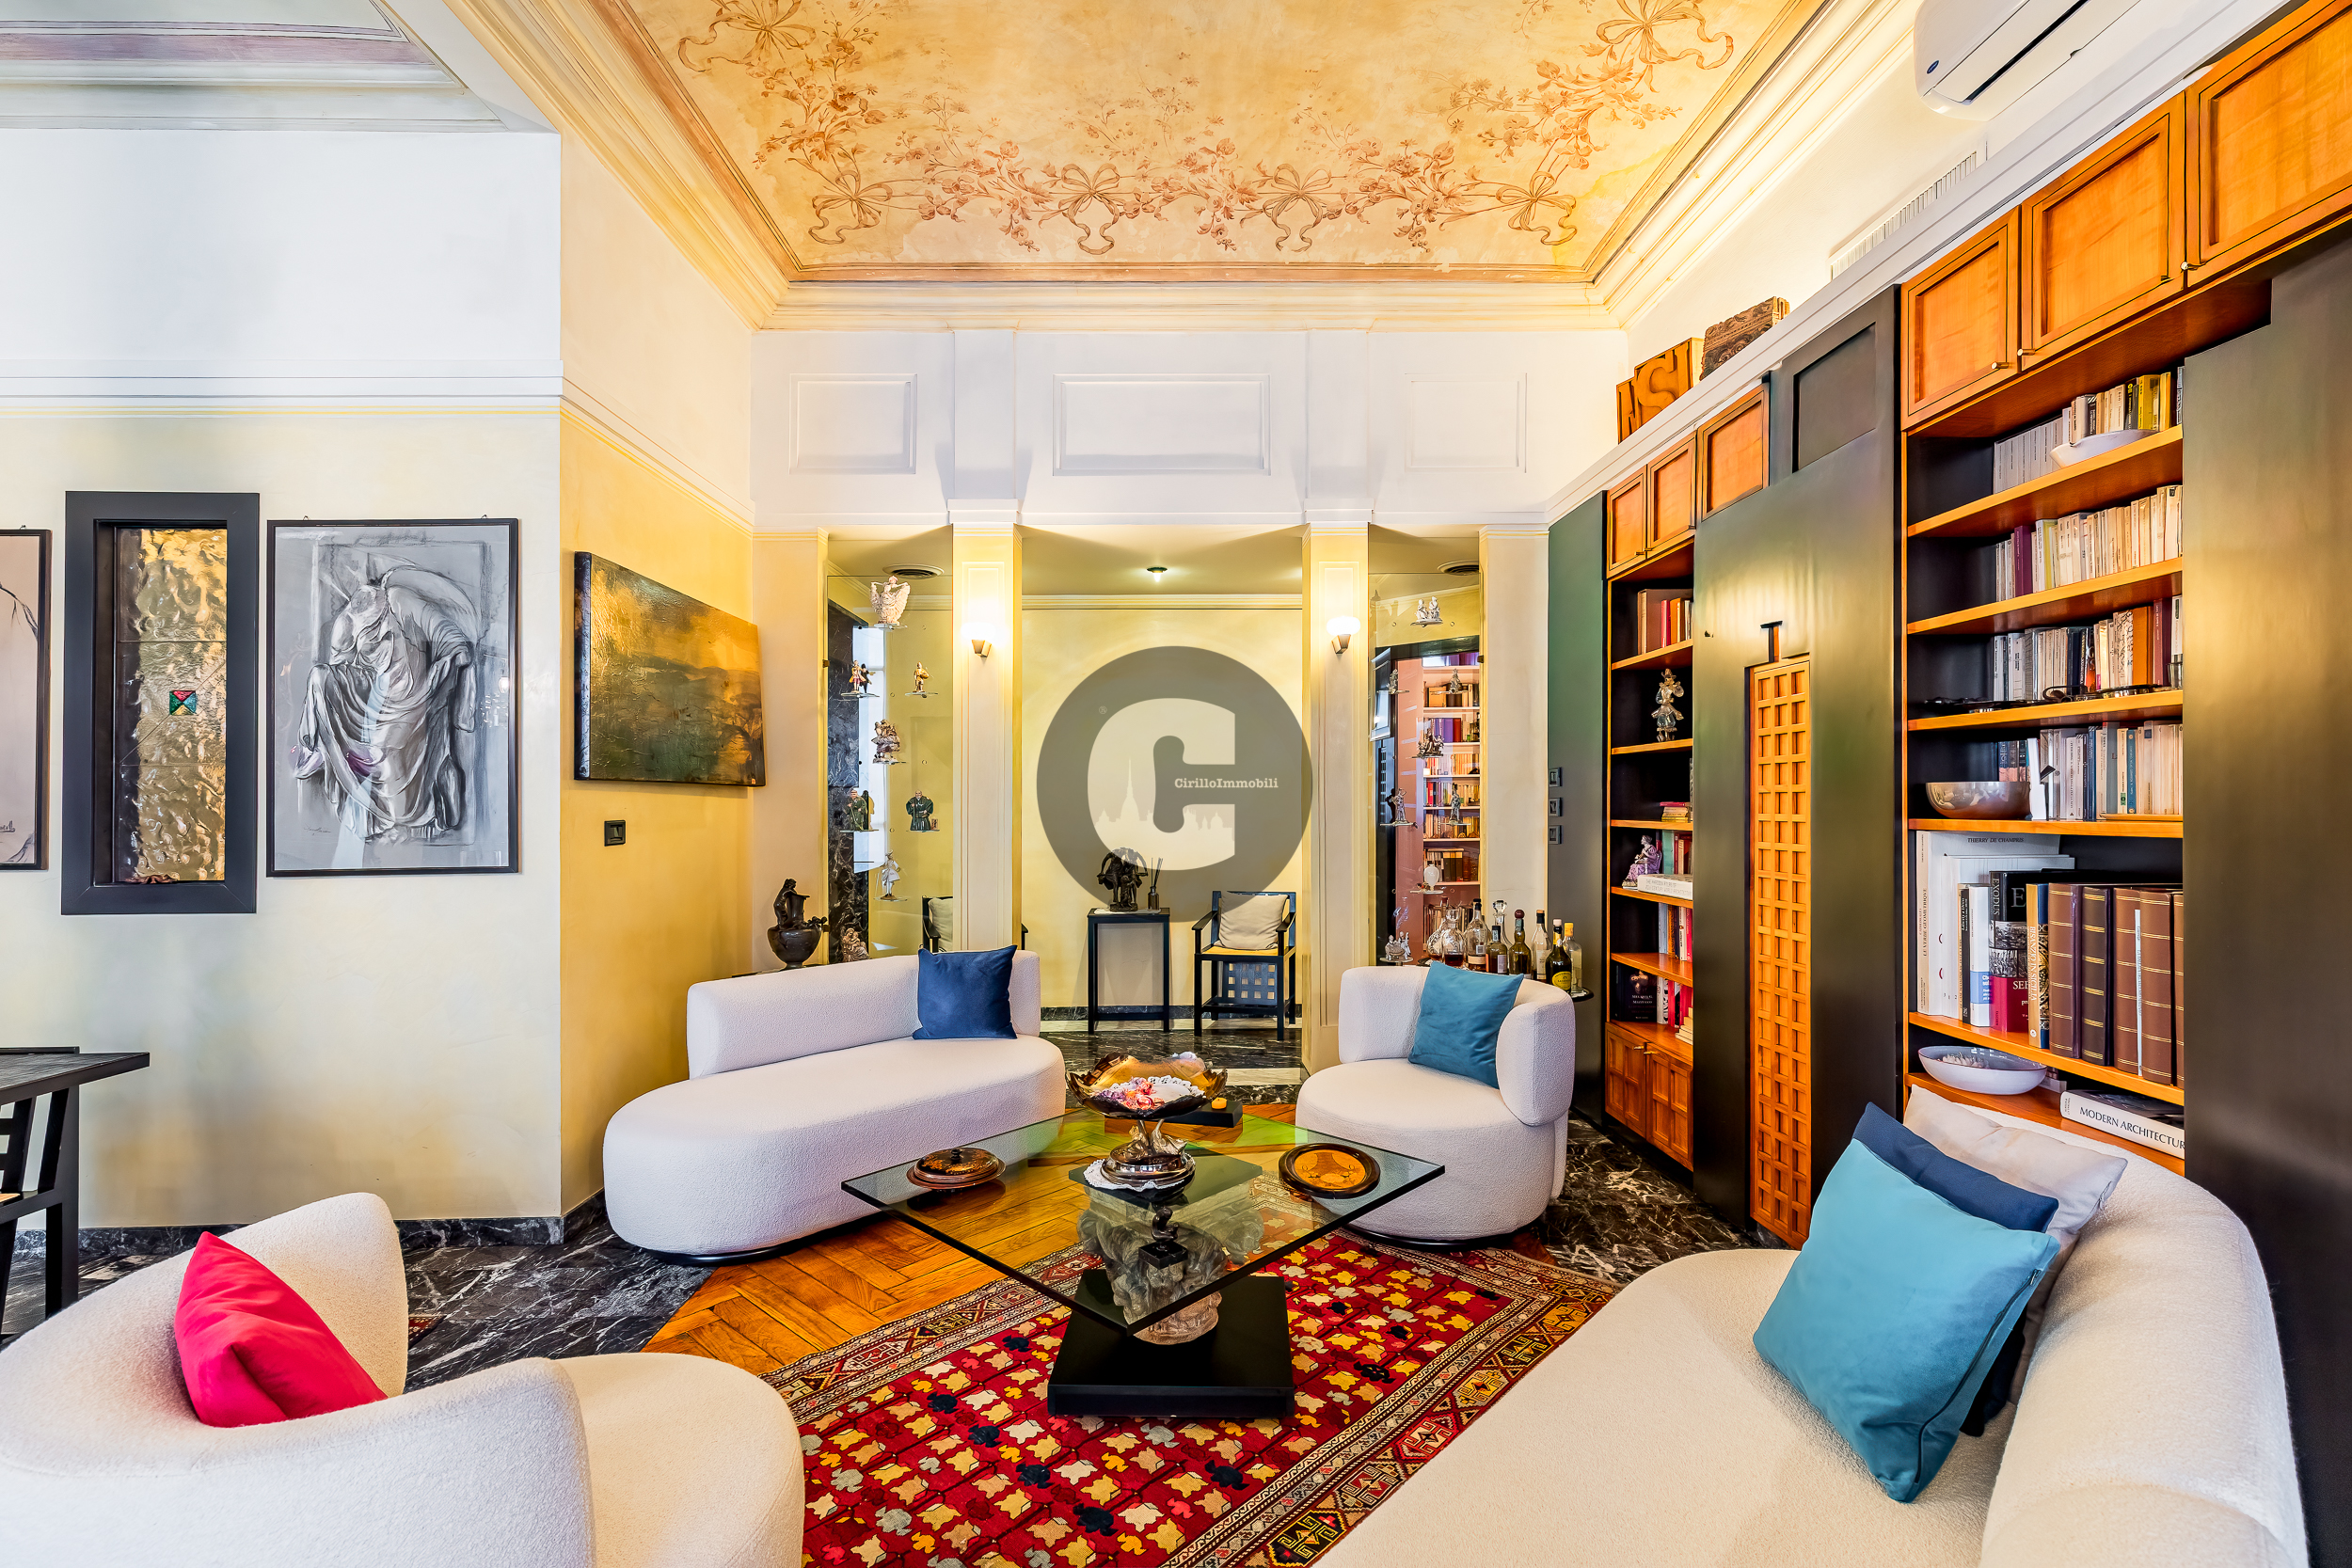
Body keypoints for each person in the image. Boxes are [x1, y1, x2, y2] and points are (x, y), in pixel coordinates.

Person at [292, 571, 474, 842]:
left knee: (386, 762)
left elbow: (442, 630)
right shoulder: (345, 623)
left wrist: (453, 655)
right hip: (373, 696)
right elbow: (341, 668)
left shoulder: (398, 599)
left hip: (412, 696)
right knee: (320, 677)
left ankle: (410, 821)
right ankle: (316, 746)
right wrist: (326, 688)